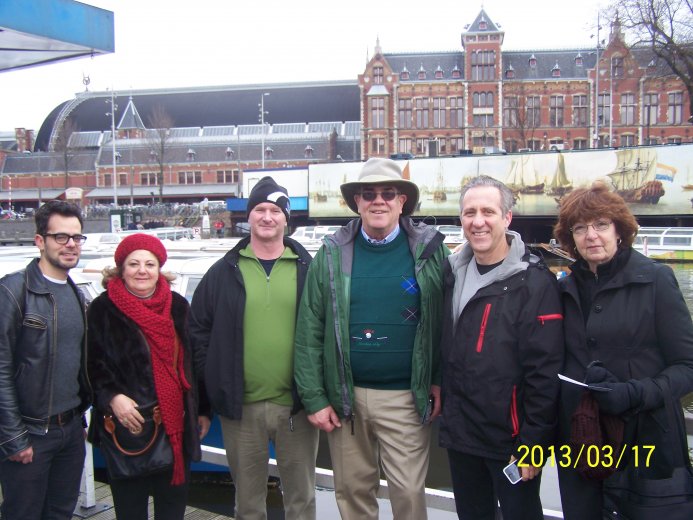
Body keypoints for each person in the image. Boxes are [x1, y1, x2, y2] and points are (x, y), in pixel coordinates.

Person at [294, 157, 449, 520]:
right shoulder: (331, 253)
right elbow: (309, 330)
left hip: (406, 397)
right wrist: (315, 397)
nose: (378, 200)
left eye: (388, 193)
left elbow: (445, 323)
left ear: (402, 201)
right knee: (352, 493)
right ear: (357, 202)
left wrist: (439, 379)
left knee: (409, 493)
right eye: (369, 193)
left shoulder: (430, 250)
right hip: (346, 396)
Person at [553, 181, 693, 519]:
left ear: (619, 230)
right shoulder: (562, 288)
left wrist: (635, 392)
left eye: (601, 224)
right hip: (581, 440)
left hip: (644, 439)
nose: (591, 236)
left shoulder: (656, 280)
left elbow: (687, 366)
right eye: (580, 228)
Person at [189, 176, 318, 520]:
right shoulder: (222, 273)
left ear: (286, 218)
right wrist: (210, 387)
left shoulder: (310, 270)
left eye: (275, 210)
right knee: (248, 503)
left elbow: (327, 331)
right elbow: (198, 333)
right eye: (260, 209)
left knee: (302, 500)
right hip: (241, 409)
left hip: (297, 408)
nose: (267, 217)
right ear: (249, 215)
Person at [439, 176, 564, 520]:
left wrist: (534, 444)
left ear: (507, 218)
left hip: (511, 442)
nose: (478, 221)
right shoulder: (451, 273)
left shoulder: (535, 283)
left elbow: (546, 371)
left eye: (488, 212)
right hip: (462, 434)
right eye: (469, 213)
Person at [87, 233, 211, 520]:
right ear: (121, 269)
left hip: (175, 428)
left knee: (172, 511)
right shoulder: (102, 309)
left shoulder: (178, 306)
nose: (142, 270)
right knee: (130, 512)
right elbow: (91, 365)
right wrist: (111, 397)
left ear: (159, 269)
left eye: (150, 264)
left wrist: (203, 410)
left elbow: (192, 363)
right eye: (134, 264)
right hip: (129, 430)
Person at [0, 200, 91, 520]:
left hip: (70, 431)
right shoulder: (13, 291)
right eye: (60, 237)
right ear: (40, 240)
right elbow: (1, 369)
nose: (70, 245)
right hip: (30, 433)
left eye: (76, 237)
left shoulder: (76, 294)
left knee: (60, 512)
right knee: (23, 513)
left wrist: (78, 422)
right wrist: (14, 437)